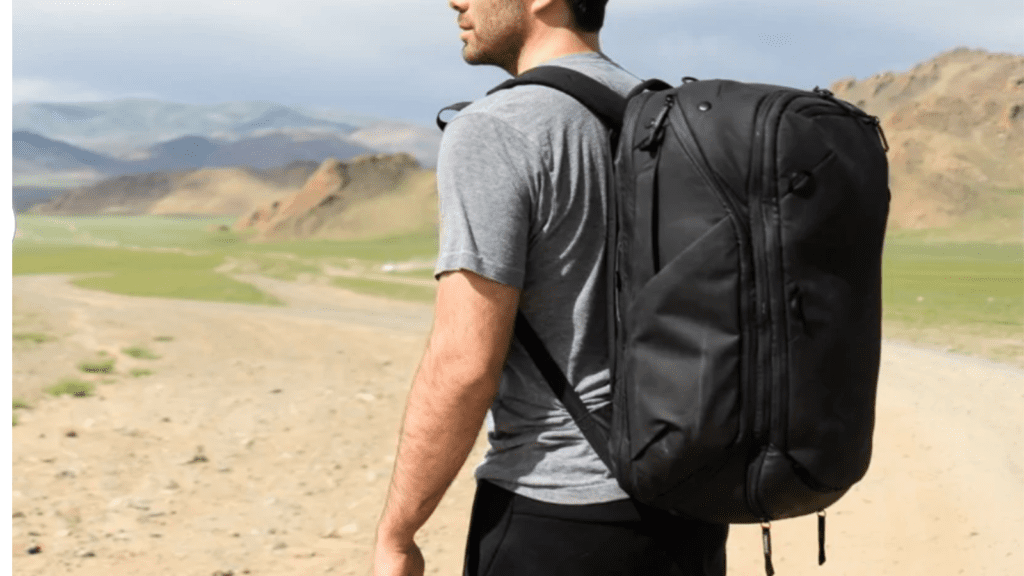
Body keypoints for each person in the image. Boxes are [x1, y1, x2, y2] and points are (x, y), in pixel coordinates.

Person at [373, 1, 729, 574]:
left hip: (557, 512)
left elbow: (463, 364)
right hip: (689, 508)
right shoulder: (671, 118)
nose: (455, 1)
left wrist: (397, 535)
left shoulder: (496, 128)